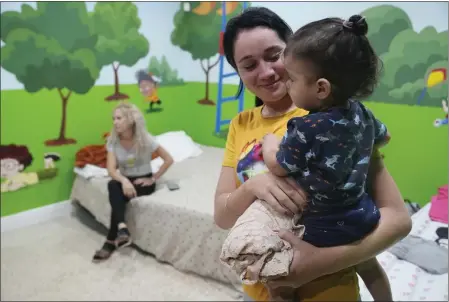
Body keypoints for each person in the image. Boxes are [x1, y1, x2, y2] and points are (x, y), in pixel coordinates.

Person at [214, 6, 412, 301]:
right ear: (238, 71)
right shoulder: (241, 125)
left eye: (273, 55)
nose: (266, 72)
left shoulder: (333, 114)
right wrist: (255, 186)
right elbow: (222, 215)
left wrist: (313, 265)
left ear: (293, 50)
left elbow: (399, 219)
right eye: (249, 64)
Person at [259, 14, 391, 300]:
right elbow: (385, 136)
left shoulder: (305, 127)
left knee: (277, 281)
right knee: (370, 267)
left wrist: (270, 144)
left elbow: (280, 167)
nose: (288, 85)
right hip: (362, 216)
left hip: (321, 225)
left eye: (292, 79)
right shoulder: (362, 112)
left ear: (321, 88)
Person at [93, 102, 173, 262]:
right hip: (124, 180)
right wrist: (124, 181)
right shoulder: (113, 142)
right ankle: (122, 229)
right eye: (113, 118)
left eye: (119, 118)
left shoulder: (146, 139)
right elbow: (111, 170)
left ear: (130, 120)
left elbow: (168, 159)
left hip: (144, 182)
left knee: (117, 196)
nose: (115, 122)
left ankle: (110, 241)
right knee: (112, 185)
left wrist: (153, 178)